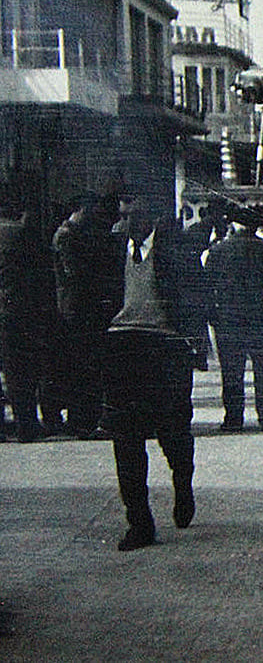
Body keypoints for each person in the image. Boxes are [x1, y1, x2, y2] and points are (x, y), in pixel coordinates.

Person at [100, 196, 196, 551]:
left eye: (134, 216)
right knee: (124, 439)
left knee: (173, 433)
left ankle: (182, 483)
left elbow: (195, 299)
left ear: (152, 215)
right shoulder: (111, 252)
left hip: (165, 348)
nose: (126, 223)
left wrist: (192, 345)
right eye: (122, 216)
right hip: (122, 348)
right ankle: (139, 522)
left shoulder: (175, 251)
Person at [204, 205, 263, 433]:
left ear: (233, 224)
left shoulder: (219, 251)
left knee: (232, 372)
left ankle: (233, 418)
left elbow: (207, 287)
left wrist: (212, 316)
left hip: (229, 321)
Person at [52, 192, 123, 439]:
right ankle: (80, 422)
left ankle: (86, 420)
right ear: (80, 208)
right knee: (81, 367)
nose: (95, 213)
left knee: (87, 367)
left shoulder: (78, 234)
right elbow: (75, 273)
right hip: (76, 309)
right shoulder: (66, 235)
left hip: (84, 309)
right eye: (91, 208)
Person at [0, 202, 53, 442]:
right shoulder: (19, 233)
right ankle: (26, 425)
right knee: (20, 371)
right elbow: (38, 273)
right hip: (16, 309)